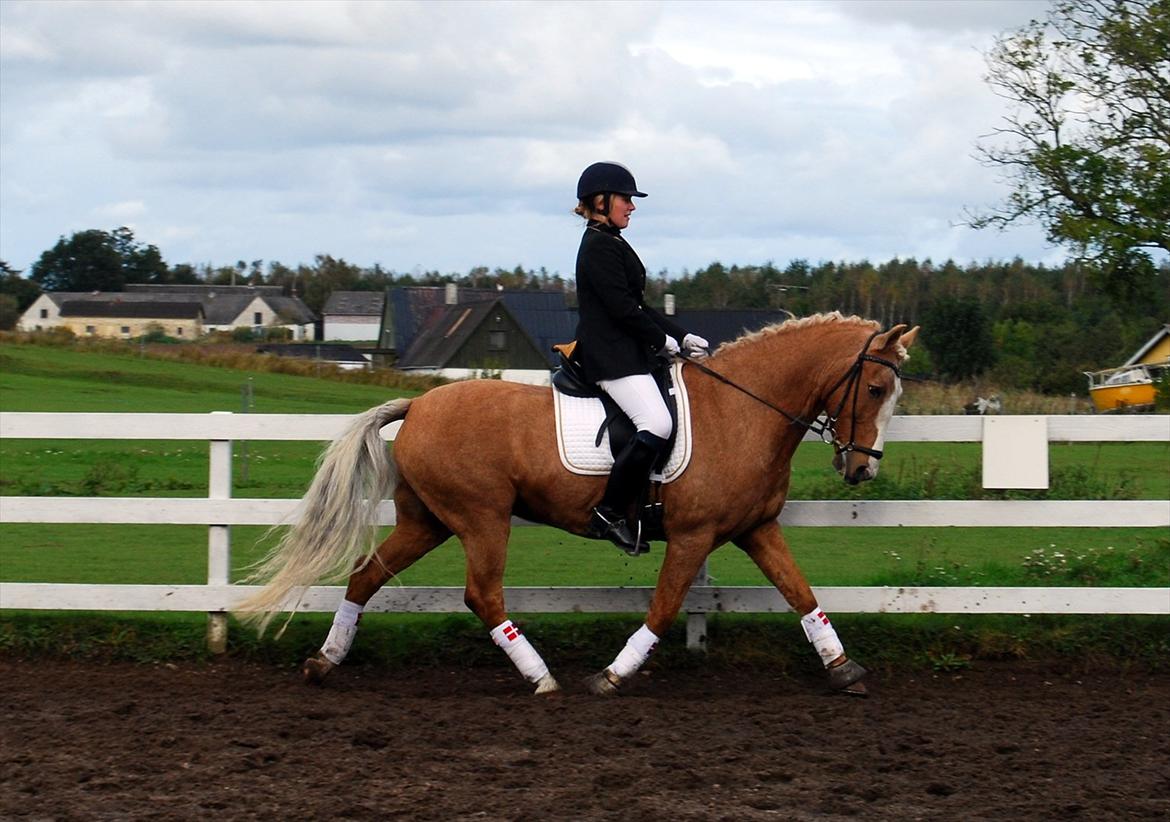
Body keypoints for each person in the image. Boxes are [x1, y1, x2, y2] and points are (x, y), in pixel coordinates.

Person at [572, 161, 709, 554]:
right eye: (625, 199)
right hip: (610, 357)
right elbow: (621, 310)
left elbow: (638, 305)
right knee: (658, 423)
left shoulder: (611, 241)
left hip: (628, 352)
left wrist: (682, 337)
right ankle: (609, 512)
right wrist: (662, 341)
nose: (631, 206)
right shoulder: (598, 246)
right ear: (600, 201)